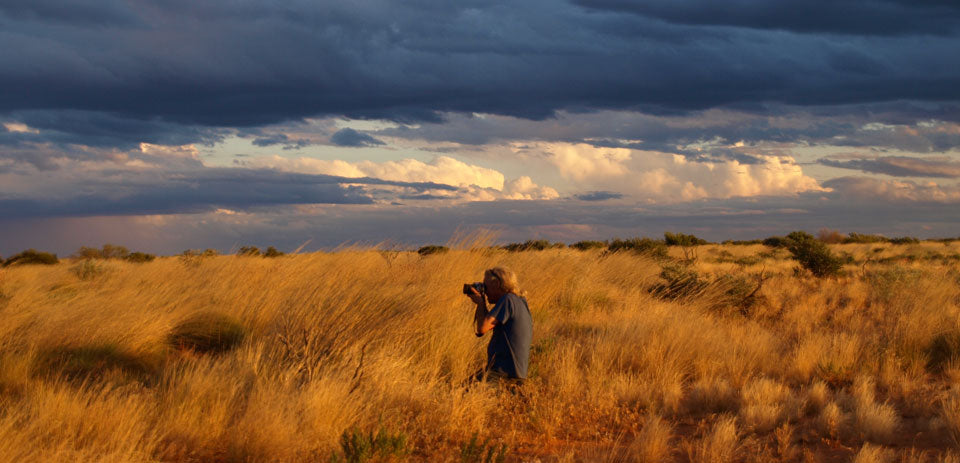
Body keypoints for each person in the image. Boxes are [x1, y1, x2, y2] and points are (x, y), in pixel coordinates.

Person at [465, 267, 533, 384]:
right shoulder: (520, 300)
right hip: (515, 374)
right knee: (466, 386)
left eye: (485, 286)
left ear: (496, 284)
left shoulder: (507, 300)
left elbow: (482, 328)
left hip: (503, 374)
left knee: (460, 393)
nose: (484, 291)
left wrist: (481, 303)